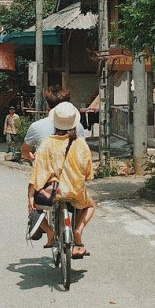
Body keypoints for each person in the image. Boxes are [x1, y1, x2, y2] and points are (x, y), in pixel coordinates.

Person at [27, 101, 95, 259]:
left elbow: (38, 172)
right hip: (75, 192)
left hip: (53, 193)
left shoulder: (47, 143)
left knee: (32, 206)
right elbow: (88, 173)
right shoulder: (81, 144)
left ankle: (50, 232)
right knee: (90, 206)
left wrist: (30, 195)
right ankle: (77, 231)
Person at [21, 86, 85, 162]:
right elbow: (82, 152)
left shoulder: (37, 126)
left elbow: (24, 151)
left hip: (44, 172)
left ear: (47, 106)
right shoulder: (78, 126)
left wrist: (31, 157)